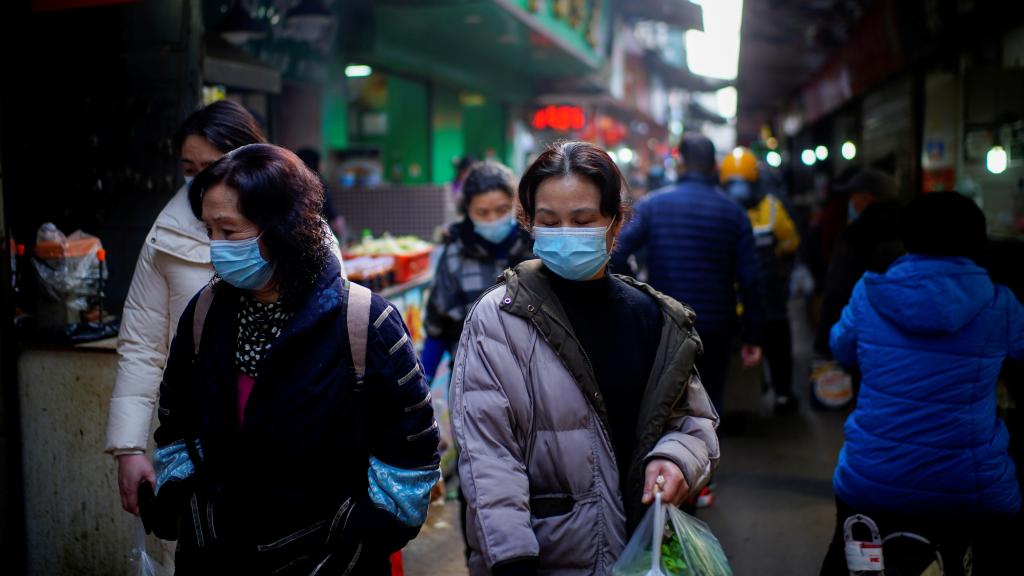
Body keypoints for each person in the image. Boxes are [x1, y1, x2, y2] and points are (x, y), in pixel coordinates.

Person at [151, 144, 440, 574]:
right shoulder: (204, 313)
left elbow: (411, 456)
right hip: (215, 557)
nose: (216, 247)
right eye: (209, 230)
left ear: (281, 228)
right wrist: (190, 513)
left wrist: (350, 546)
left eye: (229, 232)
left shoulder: (364, 321)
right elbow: (176, 424)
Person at [451, 141, 719, 575]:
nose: (564, 233)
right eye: (549, 221)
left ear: (614, 224)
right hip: (543, 558)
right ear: (530, 223)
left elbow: (692, 422)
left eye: (582, 220)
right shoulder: (499, 318)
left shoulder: (653, 317)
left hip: (642, 547)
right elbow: (489, 456)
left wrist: (675, 459)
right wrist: (513, 559)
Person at [819, 192, 1023, 575]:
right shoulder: (1001, 304)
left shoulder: (869, 293)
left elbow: (840, 347)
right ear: (978, 241)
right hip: (969, 488)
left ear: (907, 238)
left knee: (850, 563)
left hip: (872, 478)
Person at [105, 100, 267, 516]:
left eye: (211, 167)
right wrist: (129, 446)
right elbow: (142, 344)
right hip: (200, 440)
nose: (199, 181)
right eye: (189, 168)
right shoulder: (167, 234)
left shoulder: (297, 224)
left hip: (286, 434)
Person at [612, 133, 764, 417]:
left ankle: (670, 458)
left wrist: (636, 290)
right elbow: (750, 278)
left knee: (666, 405)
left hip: (667, 323)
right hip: (717, 327)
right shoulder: (733, 213)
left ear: (679, 164)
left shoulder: (652, 205)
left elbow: (616, 251)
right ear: (713, 168)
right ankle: (706, 457)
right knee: (708, 405)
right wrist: (753, 335)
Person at [421, 160, 534, 384]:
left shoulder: (534, 248)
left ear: (514, 205)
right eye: (482, 212)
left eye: (502, 210)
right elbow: (438, 325)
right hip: (472, 381)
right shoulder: (455, 254)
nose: (493, 219)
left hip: (532, 377)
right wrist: (424, 383)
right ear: (468, 212)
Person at [720, 147, 801, 412]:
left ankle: (733, 402)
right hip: (768, 293)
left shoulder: (721, 209)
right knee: (778, 342)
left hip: (730, 298)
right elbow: (790, 242)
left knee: (730, 354)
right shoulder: (772, 207)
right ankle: (783, 394)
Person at [813, 167, 903, 357]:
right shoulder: (914, 229)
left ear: (868, 197)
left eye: (854, 196)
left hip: (864, 337)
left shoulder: (855, 235)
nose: (851, 203)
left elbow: (837, 292)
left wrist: (824, 341)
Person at [296, 147, 347, 243]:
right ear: (316, 163)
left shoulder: (290, 184)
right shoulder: (319, 184)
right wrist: (343, 242)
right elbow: (335, 219)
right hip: (317, 238)